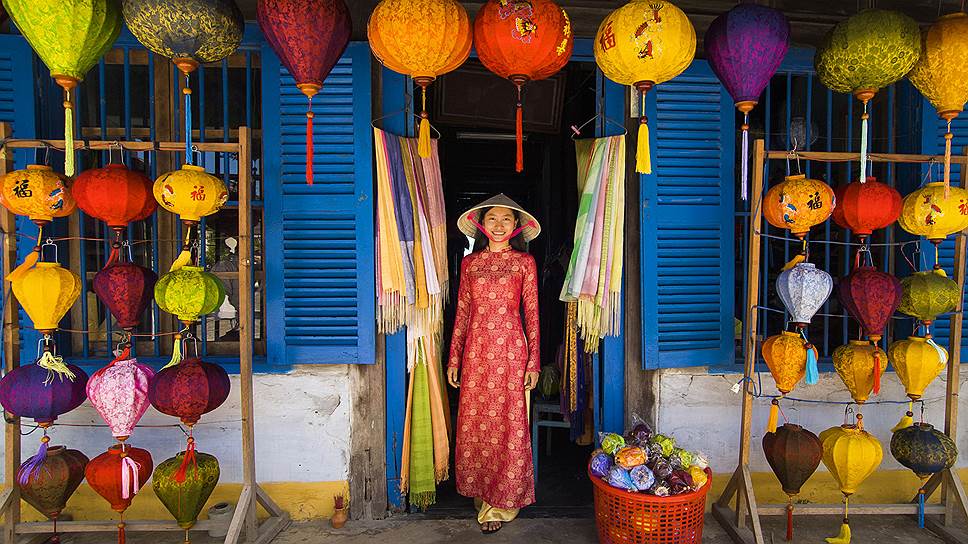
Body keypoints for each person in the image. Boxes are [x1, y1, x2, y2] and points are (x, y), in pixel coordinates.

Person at [447, 194, 541, 534]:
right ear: (481, 225)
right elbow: (462, 312)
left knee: (508, 425)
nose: (499, 225)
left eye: (506, 219)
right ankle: (482, 493)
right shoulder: (470, 264)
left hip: (512, 353)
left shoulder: (523, 264)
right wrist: (454, 356)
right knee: (477, 424)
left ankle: (500, 505)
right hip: (476, 352)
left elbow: (532, 313)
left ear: (516, 227)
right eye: (492, 219)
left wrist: (534, 362)